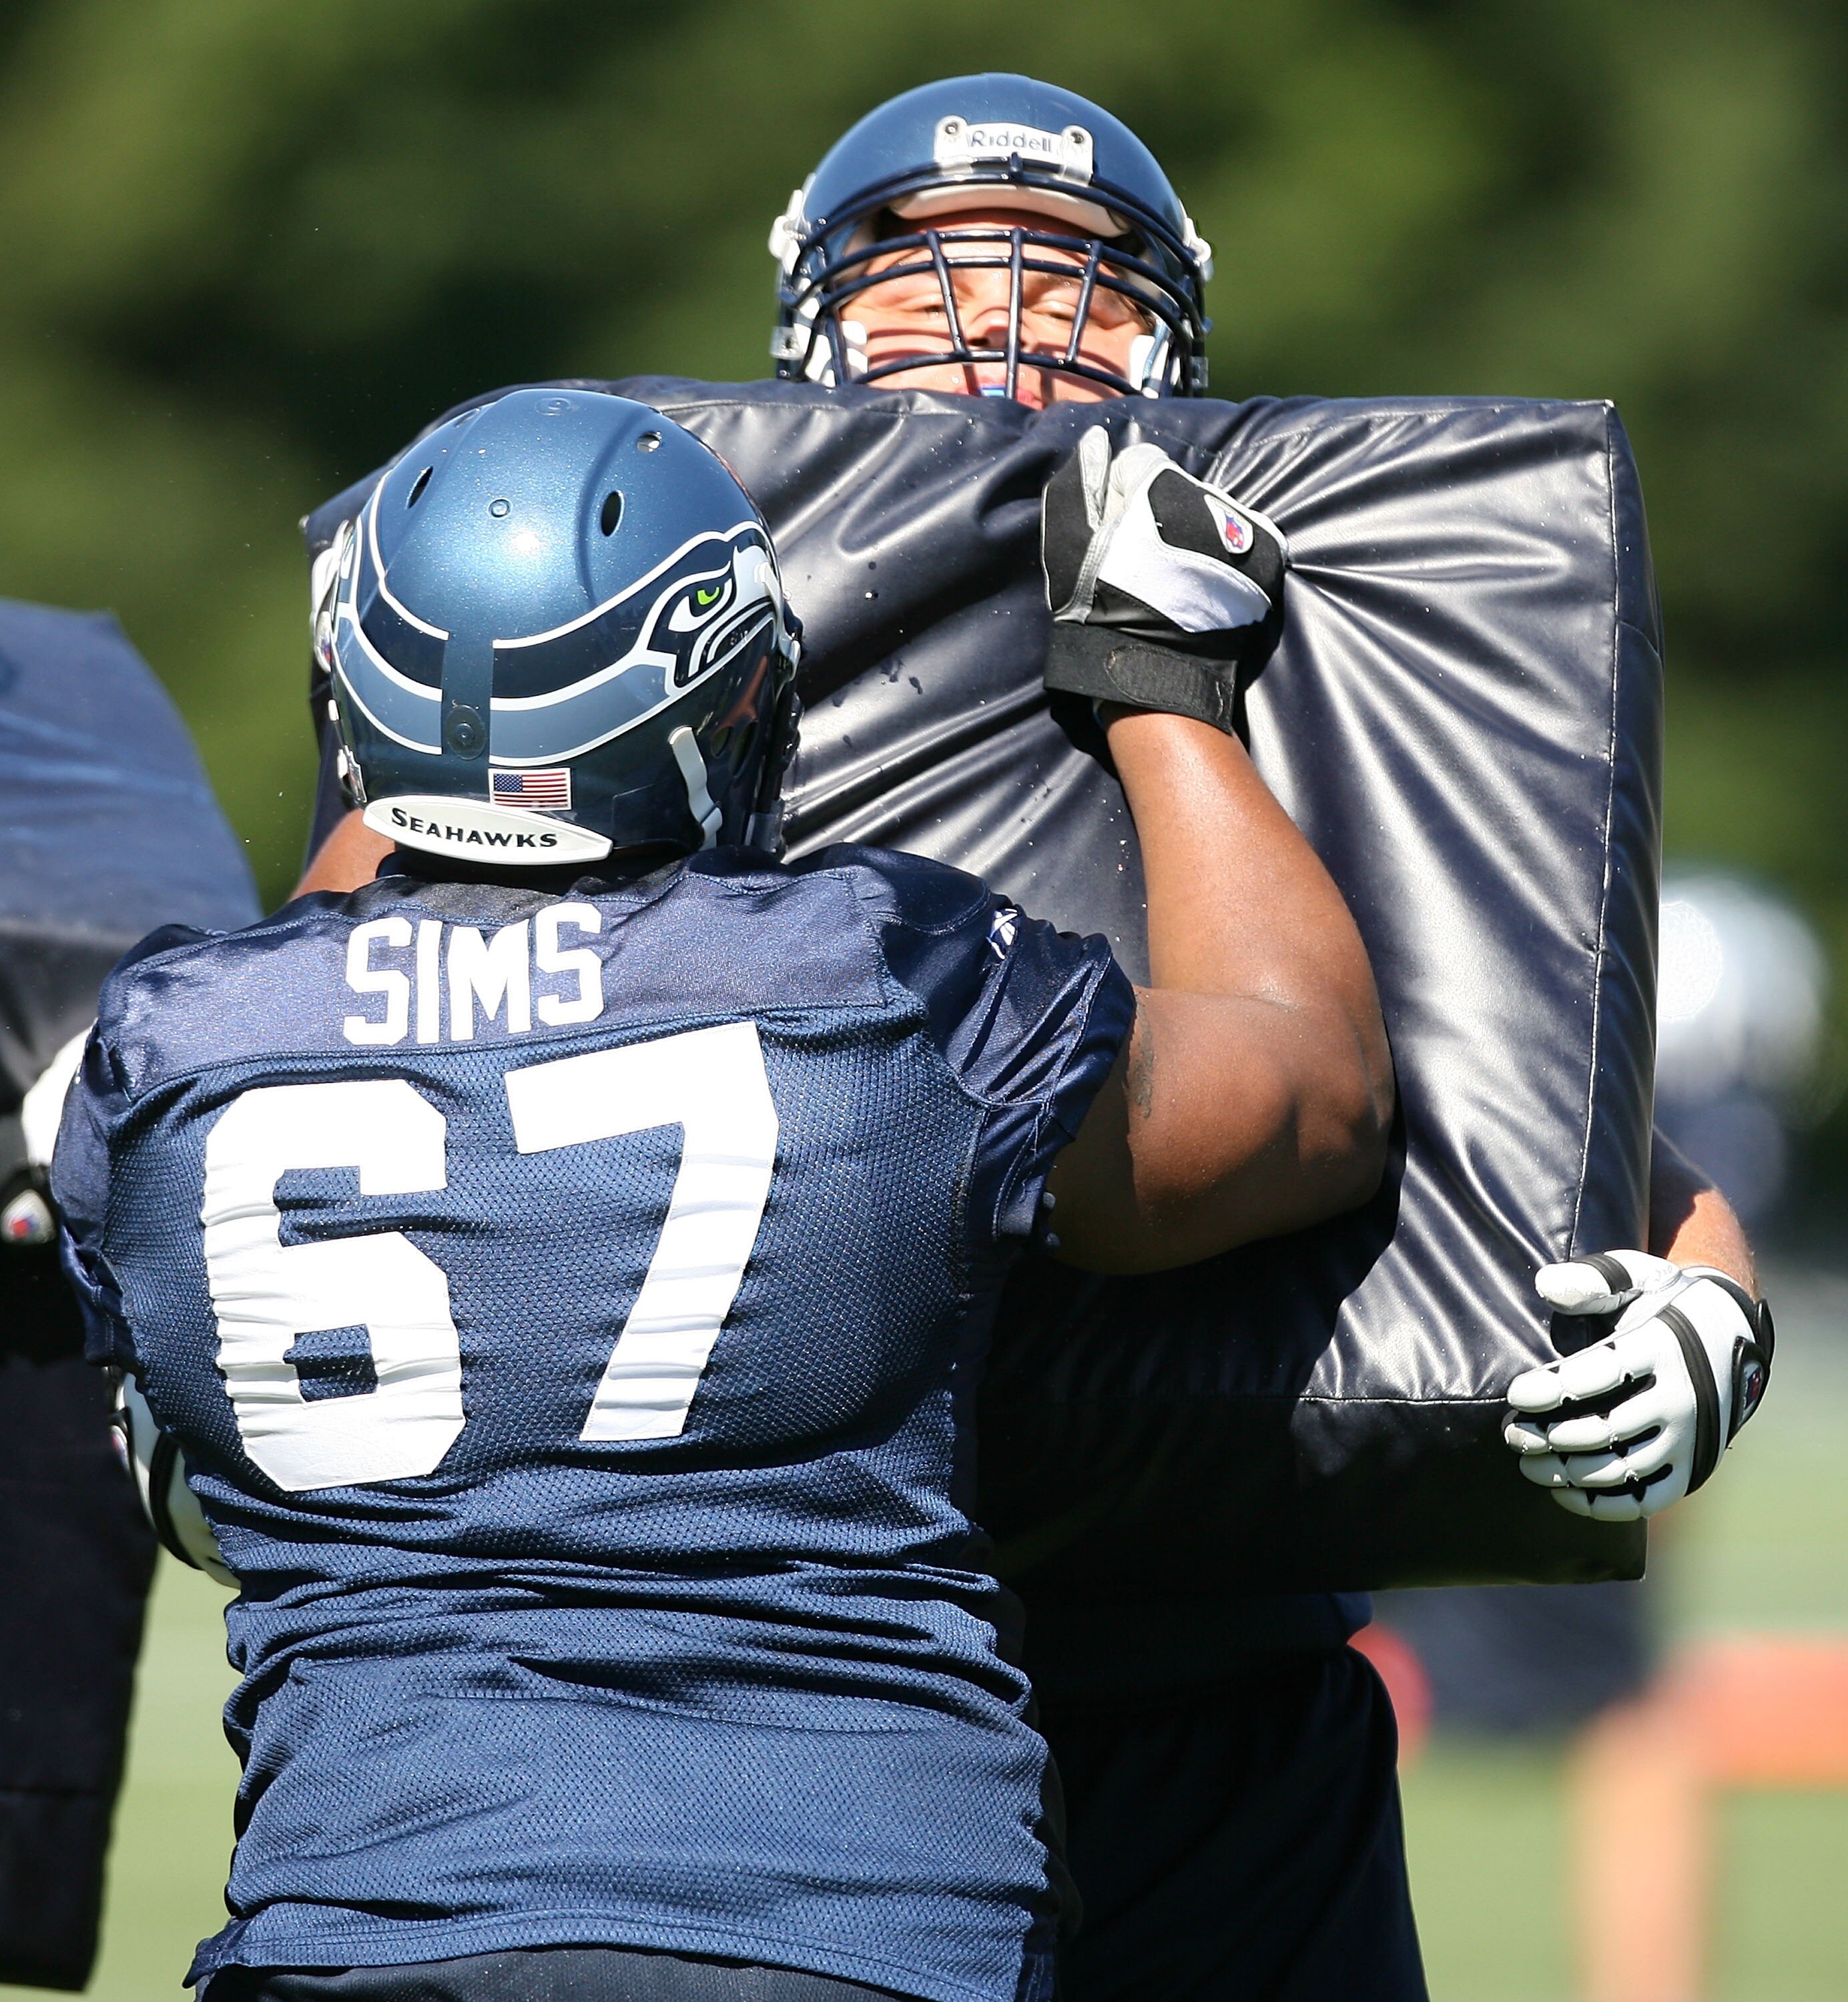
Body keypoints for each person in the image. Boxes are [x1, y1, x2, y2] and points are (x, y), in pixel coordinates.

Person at [288, 74, 1771, 2002]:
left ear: (1170, 335)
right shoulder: (646, 625)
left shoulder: (1309, 636)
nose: (1001, 332)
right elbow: (335, 1028)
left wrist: (1708, 1320)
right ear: (816, 318)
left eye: (1073, 281)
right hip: (766, 1700)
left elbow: (1571, 1131)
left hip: (1217, 1699)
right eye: (925, 278)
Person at [51, 389, 1390, 2002]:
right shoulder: (878, 974)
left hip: (364, 1921)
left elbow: (188, 1488)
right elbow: (1311, 1090)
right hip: (850, 1921)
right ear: (730, 700)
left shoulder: (168, 1050)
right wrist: (1160, 685)